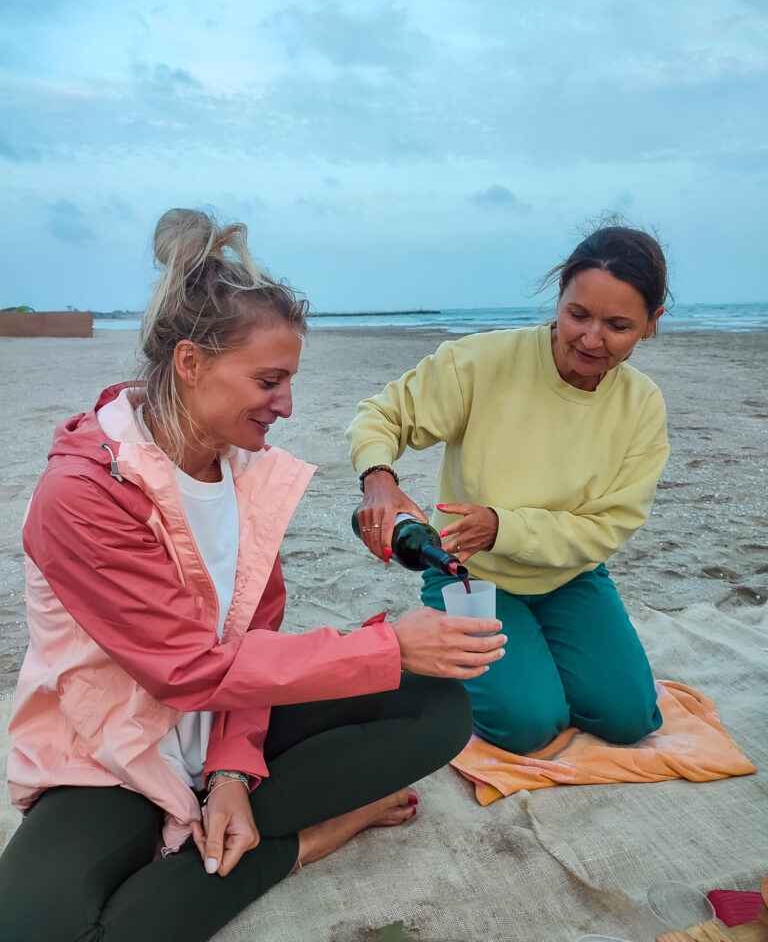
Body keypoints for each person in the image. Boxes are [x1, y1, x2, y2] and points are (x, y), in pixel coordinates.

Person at [0, 208, 506, 942]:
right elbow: (188, 669)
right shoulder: (82, 495)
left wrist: (234, 769)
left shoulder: (247, 474)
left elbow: (255, 633)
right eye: (270, 380)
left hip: (229, 712)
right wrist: (391, 645)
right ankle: (305, 838)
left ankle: (228, 815)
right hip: (114, 744)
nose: (289, 406)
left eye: (291, 380)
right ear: (191, 363)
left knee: (439, 707)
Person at [347, 225, 671, 756]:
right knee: (528, 726)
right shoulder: (481, 362)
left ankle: (536, 660)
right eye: (578, 315)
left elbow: (609, 527)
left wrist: (504, 526)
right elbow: (382, 415)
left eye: (618, 326)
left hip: (571, 575)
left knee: (630, 717)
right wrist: (377, 477)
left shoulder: (642, 406)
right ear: (559, 297)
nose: (591, 339)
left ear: (651, 325)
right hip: (469, 577)